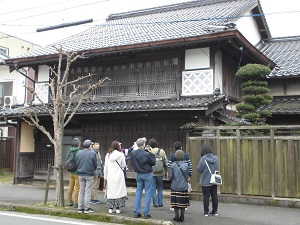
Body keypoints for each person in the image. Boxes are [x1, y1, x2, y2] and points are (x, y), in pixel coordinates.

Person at [130, 137, 156, 219]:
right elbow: (153, 162)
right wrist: (151, 153)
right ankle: (146, 212)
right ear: (143, 145)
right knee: (148, 193)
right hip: (147, 174)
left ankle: (136, 211)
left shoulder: (133, 153)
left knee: (138, 192)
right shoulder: (147, 153)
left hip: (138, 174)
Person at [104, 140, 127, 214]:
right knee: (119, 192)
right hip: (119, 175)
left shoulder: (107, 155)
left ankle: (110, 208)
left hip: (110, 175)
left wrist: (105, 176)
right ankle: (118, 208)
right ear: (118, 146)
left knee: (111, 192)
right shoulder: (121, 155)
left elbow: (106, 167)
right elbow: (123, 165)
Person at [168, 141, 192, 210]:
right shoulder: (186, 155)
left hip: (175, 176)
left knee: (175, 191)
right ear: (181, 148)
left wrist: (170, 176)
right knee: (184, 191)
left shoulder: (172, 156)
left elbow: (169, 166)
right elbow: (190, 166)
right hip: (184, 176)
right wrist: (189, 175)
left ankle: (174, 205)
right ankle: (184, 205)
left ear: (174, 148)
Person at [197, 145, 219, 216]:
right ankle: (215, 211)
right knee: (214, 196)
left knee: (206, 196)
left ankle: (206, 212)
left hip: (206, 181)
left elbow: (199, 169)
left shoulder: (203, 159)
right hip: (214, 180)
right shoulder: (216, 158)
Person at [76, 139, 97, 214]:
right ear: (89, 146)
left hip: (80, 173)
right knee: (88, 191)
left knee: (81, 191)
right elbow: (95, 164)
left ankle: (80, 207)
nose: (92, 146)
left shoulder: (79, 153)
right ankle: (87, 208)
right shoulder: (93, 153)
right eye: (91, 145)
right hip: (89, 174)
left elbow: (77, 163)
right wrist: (93, 170)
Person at [168, 150, 190, 222]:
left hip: (175, 186)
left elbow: (170, 177)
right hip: (184, 186)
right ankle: (182, 216)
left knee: (175, 203)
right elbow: (187, 176)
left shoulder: (173, 165)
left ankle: (176, 216)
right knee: (183, 202)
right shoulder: (186, 165)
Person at [148, 138, 168, 208]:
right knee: (160, 187)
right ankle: (160, 202)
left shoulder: (149, 151)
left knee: (153, 187)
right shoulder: (161, 151)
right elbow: (166, 163)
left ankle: (155, 203)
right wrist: (166, 171)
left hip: (152, 172)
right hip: (160, 172)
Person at [66, 138, 81, 208]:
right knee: (77, 188)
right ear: (78, 144)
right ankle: (76, 202)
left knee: (70, 187)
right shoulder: (78, 152)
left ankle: (69, 201)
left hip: (71, 171)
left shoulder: (70, 151)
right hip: (77, 172)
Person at [90, 140, 104, 204]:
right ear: (93, 145)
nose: (97, 145)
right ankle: (92, 198)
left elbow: (100, 163)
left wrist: (101, 173)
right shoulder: (93, 152)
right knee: (94, 185)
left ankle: (95, 198)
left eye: (98, 144)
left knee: (97, 186)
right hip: (94, 172)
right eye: (96, 144)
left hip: (99, 171)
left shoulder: (98, 153)